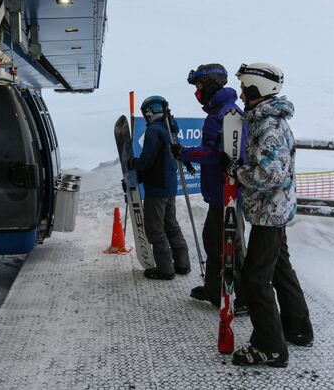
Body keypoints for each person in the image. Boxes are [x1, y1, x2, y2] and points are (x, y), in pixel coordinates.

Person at [225, 62, 313, 367]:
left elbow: (270, 174)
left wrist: (239, 172)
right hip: (274, 210)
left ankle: (270, 346)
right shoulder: (267, 120)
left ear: (255, 89)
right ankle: (297, 328)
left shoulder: (269, 126)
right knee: (279, 269)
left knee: (255, 279)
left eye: (244, 88)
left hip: (269, 213)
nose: (240, 93)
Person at [170, 63, 248, 314]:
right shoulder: (222, 111)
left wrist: (185, 152)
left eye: (200, 86)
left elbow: (216, 154)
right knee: (213, 241)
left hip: (228, 193)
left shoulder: (224, 114)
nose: (197, 91)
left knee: (231, 245)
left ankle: (245, 297)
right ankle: (215, 289)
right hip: (219, 192)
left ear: (212, 84)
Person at [128, 95, 191, 280]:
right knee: (170, 224)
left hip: (156, 186)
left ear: (149, 111)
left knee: (155, 228)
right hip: (170, 185)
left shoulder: (154, 130)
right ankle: (182, 263)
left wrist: (135, 163)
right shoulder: (171, 128)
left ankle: (165, 269)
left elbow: (148, 159)